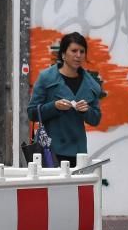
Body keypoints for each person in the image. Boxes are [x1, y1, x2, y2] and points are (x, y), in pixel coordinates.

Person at [27, 31, 102, 167]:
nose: (78, 55)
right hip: (51, 150)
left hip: (78, 152)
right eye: (74, 51)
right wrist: (54, 106)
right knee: (52, 188)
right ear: (63, 54)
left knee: (76, 188)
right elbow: (32, 112)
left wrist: (86, 110)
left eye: (82, 51)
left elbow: (96, 119)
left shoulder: (91, 85)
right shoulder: (46, 77)